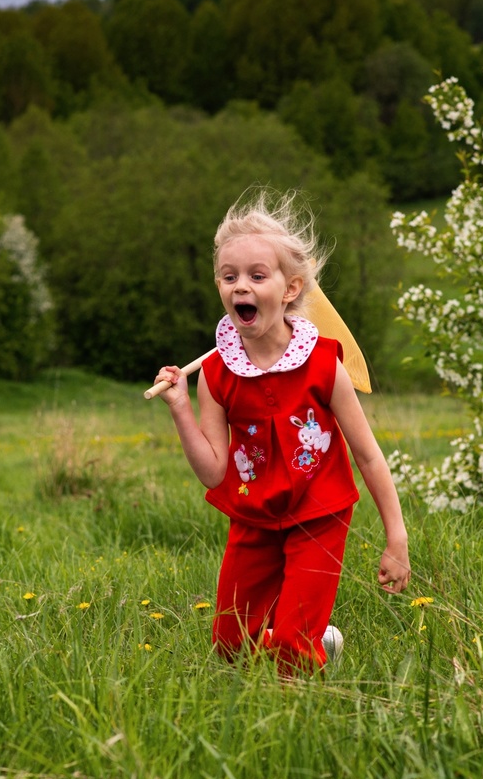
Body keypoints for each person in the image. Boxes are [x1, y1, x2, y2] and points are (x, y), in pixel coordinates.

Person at [153, 191, 411, 674]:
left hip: (319, 514)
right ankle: (313, 639)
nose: (240, 286)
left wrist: (395, 537)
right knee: (230, 648)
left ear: (290, 288)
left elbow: (370, 457)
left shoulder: (320, 364)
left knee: (292, 652)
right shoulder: (215, 373)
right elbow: (213, 473)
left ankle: (301, 665)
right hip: (255, 517)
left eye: (256, 275)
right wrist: (179, 408)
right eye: (229, 277)